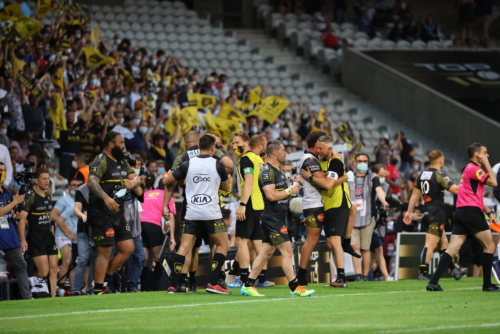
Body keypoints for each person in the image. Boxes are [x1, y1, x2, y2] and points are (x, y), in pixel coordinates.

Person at [240, 140, 315, 298]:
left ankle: (248, 285)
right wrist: (290, 190)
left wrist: (294, 185)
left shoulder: (277, 171)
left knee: (266, 253)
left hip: (276, 217)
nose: (286, 152)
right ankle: (295, 287)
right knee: (287, 251)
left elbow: (281, 192)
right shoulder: (267, 171)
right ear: (275, 152)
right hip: (272, 218)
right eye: (283, 150)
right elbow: (271, 195)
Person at [162, 134, 231, 294]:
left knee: (184, 247)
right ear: (213, 147)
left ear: (199, 147)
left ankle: (173, 285)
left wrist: (184, 180)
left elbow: (167, 181)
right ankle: (214, 282)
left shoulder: (187, 164)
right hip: (211, 212)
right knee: (222, 245)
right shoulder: (218, 165)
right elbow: (226, 189)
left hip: (191, 212)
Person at [427, 143, 499, 292]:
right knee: (490, 246)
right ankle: (487, 285)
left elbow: (472, 196)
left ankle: (433, 282)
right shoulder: (474, 169)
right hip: (471, 212)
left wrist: (489, 212)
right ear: (477, 155)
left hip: (461, 211)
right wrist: (487, 164)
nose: (487, 155)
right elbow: (494, 182)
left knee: (453, 248)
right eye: (485, 153)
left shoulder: (468, 170)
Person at [86, 131, 141, 294]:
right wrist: (105, 198)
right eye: (121, 143)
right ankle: (97, 290)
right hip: (101, 212)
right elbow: (91, 182)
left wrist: (132, 181)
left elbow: (137, 178)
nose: (124, 146)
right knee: (105, 250)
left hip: (118, 212)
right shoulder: (101, 160)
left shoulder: (122, 160)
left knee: (128, 247)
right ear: (111, 144)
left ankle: (105, 280)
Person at [404, 150, 467, 281]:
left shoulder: (421, 174)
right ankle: (423, 272)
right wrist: (469, 186)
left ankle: (455, 271)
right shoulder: (439, 175)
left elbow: (415, 195)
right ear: (440, 161)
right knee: (429, 244)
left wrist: (409, 212)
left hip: (426, 211)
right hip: (436, 212)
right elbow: (455, 189)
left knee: (444, 245)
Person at [302, 135, 351, 287]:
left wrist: (310, 178)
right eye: (317, 148)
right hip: (328, 205)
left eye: (321, 148)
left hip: (338, 204)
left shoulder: (335, 161)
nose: (318, 151)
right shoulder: (322, 162)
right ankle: (338, 277)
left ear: (329, 149)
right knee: (330, 242)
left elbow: (329, 185)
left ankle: (342, 278)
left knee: (334, 240)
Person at [231, 132, 267, 287]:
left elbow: (249, 181)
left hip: (250, 203)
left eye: (237, 142)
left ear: (246, 143)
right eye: (233, 143)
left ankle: (244, 278)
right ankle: (262, 278)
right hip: (261, 204)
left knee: (241, 240)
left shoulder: (246, 159)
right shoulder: (258, 159)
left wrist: (243, 204)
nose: (234, 146)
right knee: (257, 242)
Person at [347, 154, 388, 281]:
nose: (362, 163)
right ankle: (358, 275)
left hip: (368, 217)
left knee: (365, 248)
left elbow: (379, 191)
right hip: (352, 217)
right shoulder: (348, 176)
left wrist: (384, 201)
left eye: (365, 161)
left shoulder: (373, 178)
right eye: (359, 161)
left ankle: (365, 275)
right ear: (354, 162)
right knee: (355, 246)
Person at [18, 168, 58, 297]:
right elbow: (22, 219)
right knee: (43, 271)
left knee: (53, 268)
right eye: (43, 178)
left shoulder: (47, 196)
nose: (47, 181)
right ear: (36, 180)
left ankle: (53, 296)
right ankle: (32, 282)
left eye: (48, 178)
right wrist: (23, 239)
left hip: (48, 235)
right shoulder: (30, 196)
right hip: (35, 236)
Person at [140, 171, 176, 291]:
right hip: (153, 225)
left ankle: (144, 288)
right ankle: (155, 287)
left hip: (140, 225)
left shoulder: (146, 194)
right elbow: (169, 217)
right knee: (158, 258)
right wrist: (170, 236)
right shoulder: (167, 196)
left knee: (144, 259)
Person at [0, 162, 30, 299]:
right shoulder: (12, 197)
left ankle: (27, 297)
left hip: (8, 233)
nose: (2, 172)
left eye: (4, 170)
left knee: (21, 265)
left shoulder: (6, 192)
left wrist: (15, 215)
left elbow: (8, 212)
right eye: (0, 170)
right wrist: (15, 202)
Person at [50, 178, 82, 291]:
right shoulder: (64, 200)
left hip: (74, 236)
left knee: (73, 263)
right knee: (67, 259)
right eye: (73, 185)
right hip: (62, 234)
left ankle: (74, 289)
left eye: (78, 185)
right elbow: (53, 216)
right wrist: (67, 231)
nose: (75, 187)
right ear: (68, 187)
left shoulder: (79, 200)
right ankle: (61, 286)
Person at [72, 183, 96, 296]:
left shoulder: (105, 186)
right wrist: (82, 216)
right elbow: (76, 209)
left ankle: (90, 289)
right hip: (84, 230)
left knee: (95, 261)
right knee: (82, 259)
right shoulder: (81, 190)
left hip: (99, 230)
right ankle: (76, 289)